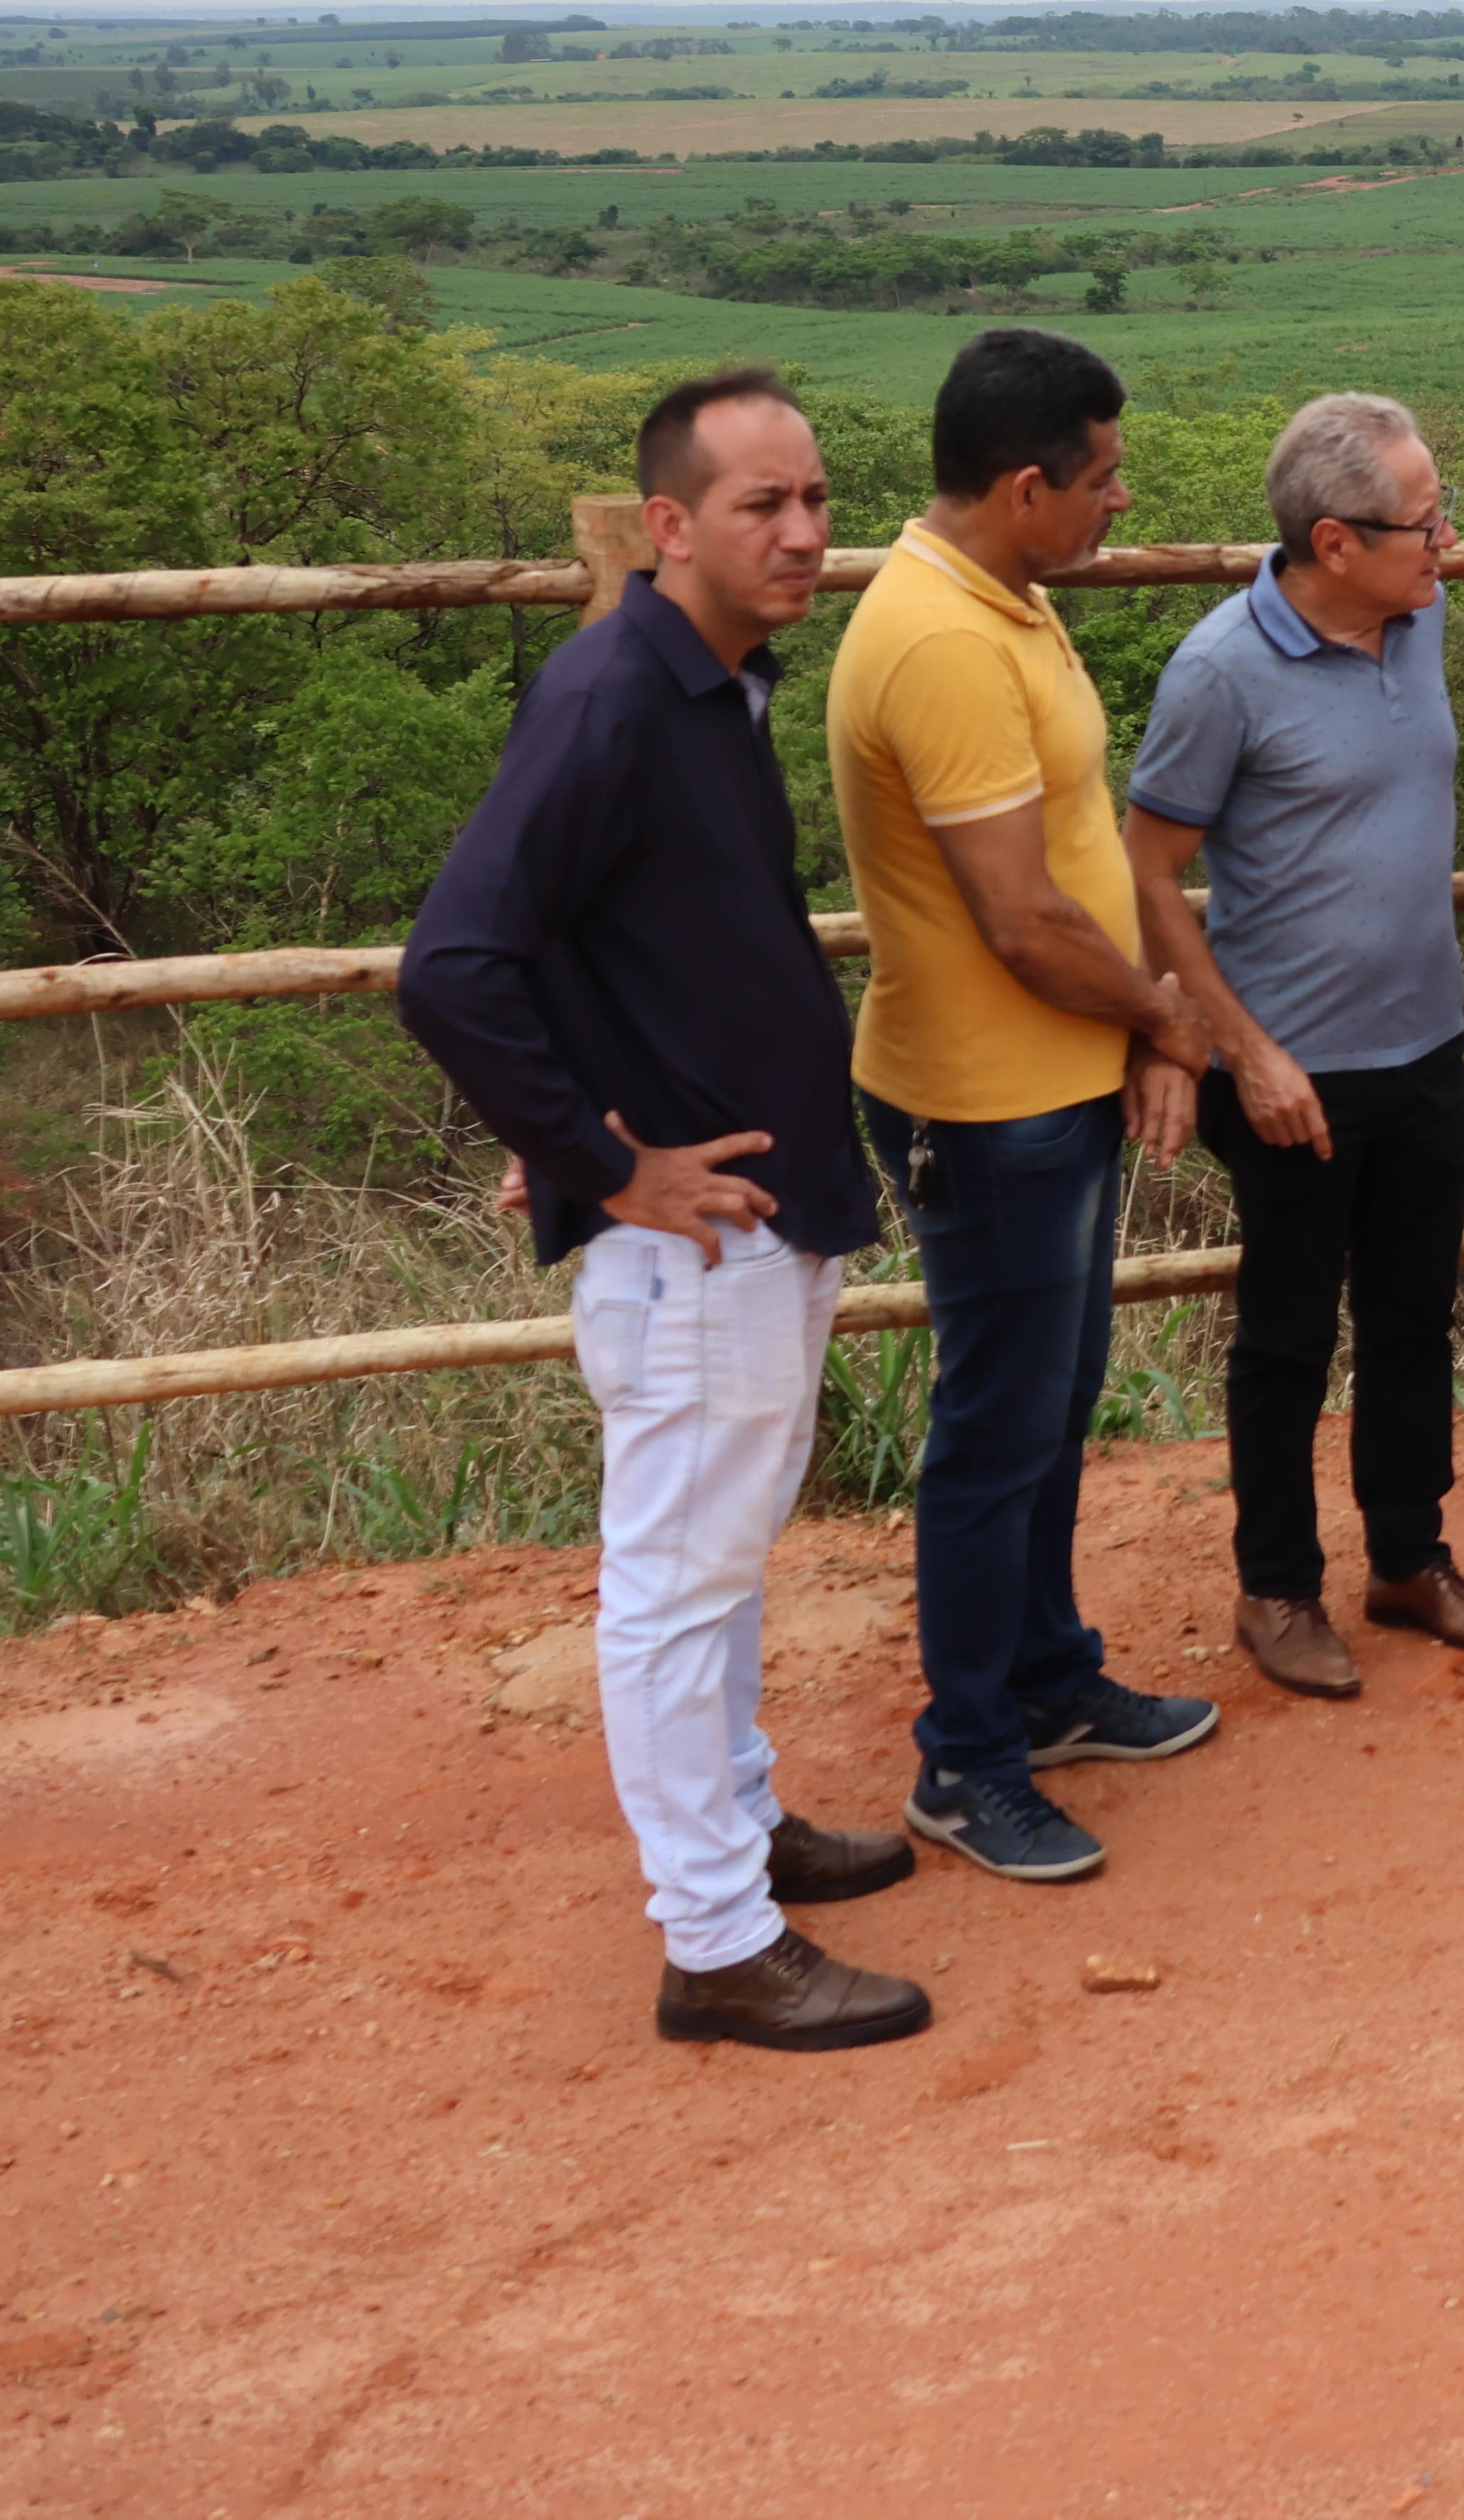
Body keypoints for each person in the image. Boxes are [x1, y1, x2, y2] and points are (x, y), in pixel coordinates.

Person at [399, 370, 927, 2052]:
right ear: (667, 525)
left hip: (743, 1213)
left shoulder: (712, 681)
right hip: (686, 1233)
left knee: (724, 1555)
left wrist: (568, 1113)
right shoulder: (611, 696)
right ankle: (714, 1935)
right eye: (763, 505)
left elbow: (587, 941)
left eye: (818, 498)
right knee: (679, 1578)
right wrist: (599, 1157)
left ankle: (742, 1832)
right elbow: (454, 966)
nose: (804, 532)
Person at [827, 325, 1222, 1885]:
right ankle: (967, 1757)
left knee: (1054, 1403)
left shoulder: (1009, 602)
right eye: (1105, 473)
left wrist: (1130, 1037)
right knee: (994, 1432)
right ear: (1023, 484)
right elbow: (1021, 915)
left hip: (1055, 1078)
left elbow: (1067, 867)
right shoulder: (937, 641)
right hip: (982, 1104)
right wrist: (1168, 1017)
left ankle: (1048, 1681)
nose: (1121, 499)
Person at [1122, 393, 1464, 1702]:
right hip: (1292, 1067)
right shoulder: (1219, 673)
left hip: (1425, 1043)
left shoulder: (1417, 620)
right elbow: (1145, 867)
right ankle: (1276, 1589)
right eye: (1422, 522)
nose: (1448, 541)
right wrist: (1236, 1048)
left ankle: (1410, 1561)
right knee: (1290, 1333)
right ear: (1332, 541)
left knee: (1414, 1316)